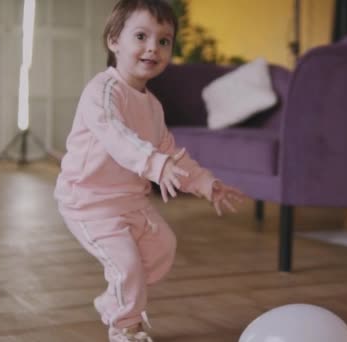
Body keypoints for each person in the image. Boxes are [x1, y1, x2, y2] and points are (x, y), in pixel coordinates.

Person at [53, 0, 244, 341]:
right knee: (127, 266)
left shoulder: (153, 106)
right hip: (90, 202)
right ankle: (125, 327)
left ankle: (114, 299)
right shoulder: (102, 91)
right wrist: (156, 164)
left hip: (132, 203)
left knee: (162, 248)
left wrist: (203, 182)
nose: (152, 48)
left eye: (164, 40)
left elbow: (169, 150)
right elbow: (115, 134)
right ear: (114, 41)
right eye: (141, 36)